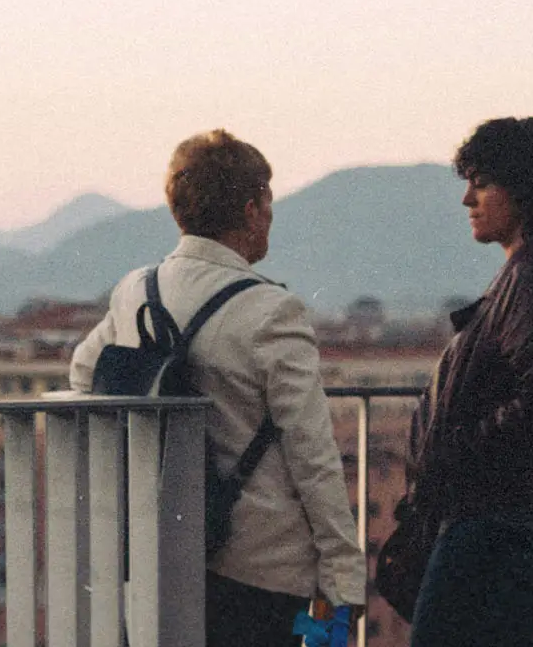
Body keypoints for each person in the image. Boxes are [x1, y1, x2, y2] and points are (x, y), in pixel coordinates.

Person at [69, 129, 366, 647]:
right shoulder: (272, 310)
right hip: (261, 565)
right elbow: (312, 453)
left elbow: (83, 371)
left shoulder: (137, 289)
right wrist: (343, 575)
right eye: (268, 201)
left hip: (161, 552)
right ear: (252, 210)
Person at [406, 117, 533, 647]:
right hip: (522, 513)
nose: (467, 199)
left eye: (480, 182)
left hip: (495, 517)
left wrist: (456, 450)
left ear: (523, 191)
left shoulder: (526, 278)